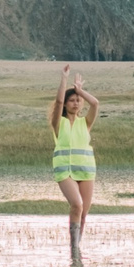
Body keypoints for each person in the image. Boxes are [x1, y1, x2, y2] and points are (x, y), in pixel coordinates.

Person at [48, 65, 99, 241]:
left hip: (86, 171)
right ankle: (74, 246)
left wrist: (80, 91)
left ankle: (76, 248)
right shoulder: (58, 122)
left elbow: (95, 103)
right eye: (72, 100)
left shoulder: (85, 122)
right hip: (65, 171)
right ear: (66, 103)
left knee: (83, 213)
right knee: (76, 204)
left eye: (78, 100)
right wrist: (64, 79)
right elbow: (58, 102)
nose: (75, 103)